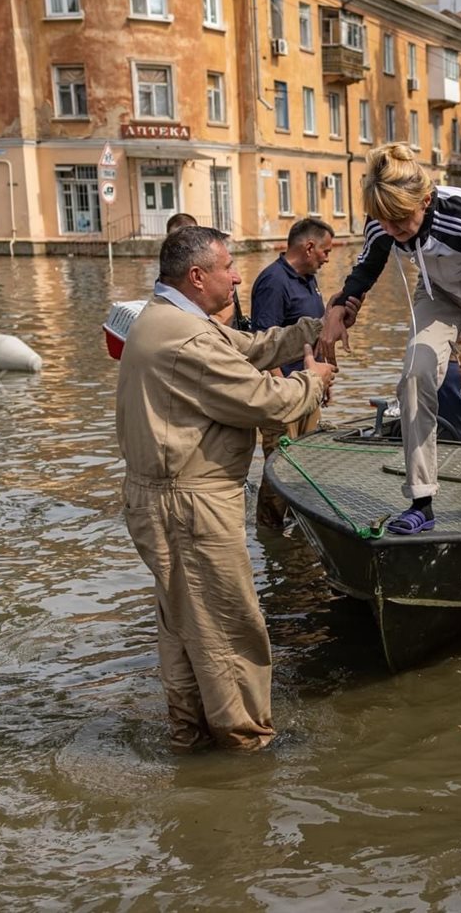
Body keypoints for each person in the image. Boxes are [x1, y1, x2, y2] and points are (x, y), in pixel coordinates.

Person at [117, 226, 336, 750]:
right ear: (197, 277)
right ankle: (245, 751)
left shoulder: (167, 318)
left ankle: (191, 741)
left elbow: (250, 346)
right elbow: (264, 401)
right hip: (189, 504)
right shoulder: (188, 337)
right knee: (229, 631)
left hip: (164, 498)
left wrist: (314, 328)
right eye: (228, 267)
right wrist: (315, 381)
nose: (239, 276)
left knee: (185, 629)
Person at [315, 143, 461, 534]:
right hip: (438, 294)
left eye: (402, 221)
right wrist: (340, 310)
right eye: (386, 224)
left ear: (426, 200)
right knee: (414, 379)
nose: (395, 232)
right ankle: (421, 501)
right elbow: (364, 271)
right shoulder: (383, 223)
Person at [251, 217, 336, 528]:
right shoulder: (273, 281)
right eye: (325, 251)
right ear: (309, 246)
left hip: (308, 390)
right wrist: (285, 392)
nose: (328, 257)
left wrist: (324, 381)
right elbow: (263, 345)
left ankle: (299, 527)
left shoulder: (308, 279)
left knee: (306, 463)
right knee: (281, 466)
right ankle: (269, 531)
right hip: (284, 395)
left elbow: (317, 337)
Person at [162, 212, 247, 329]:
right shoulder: (167, 277)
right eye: (175, 241)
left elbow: (223, 322)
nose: (181, 245)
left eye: (188, 238)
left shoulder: (220, 273)